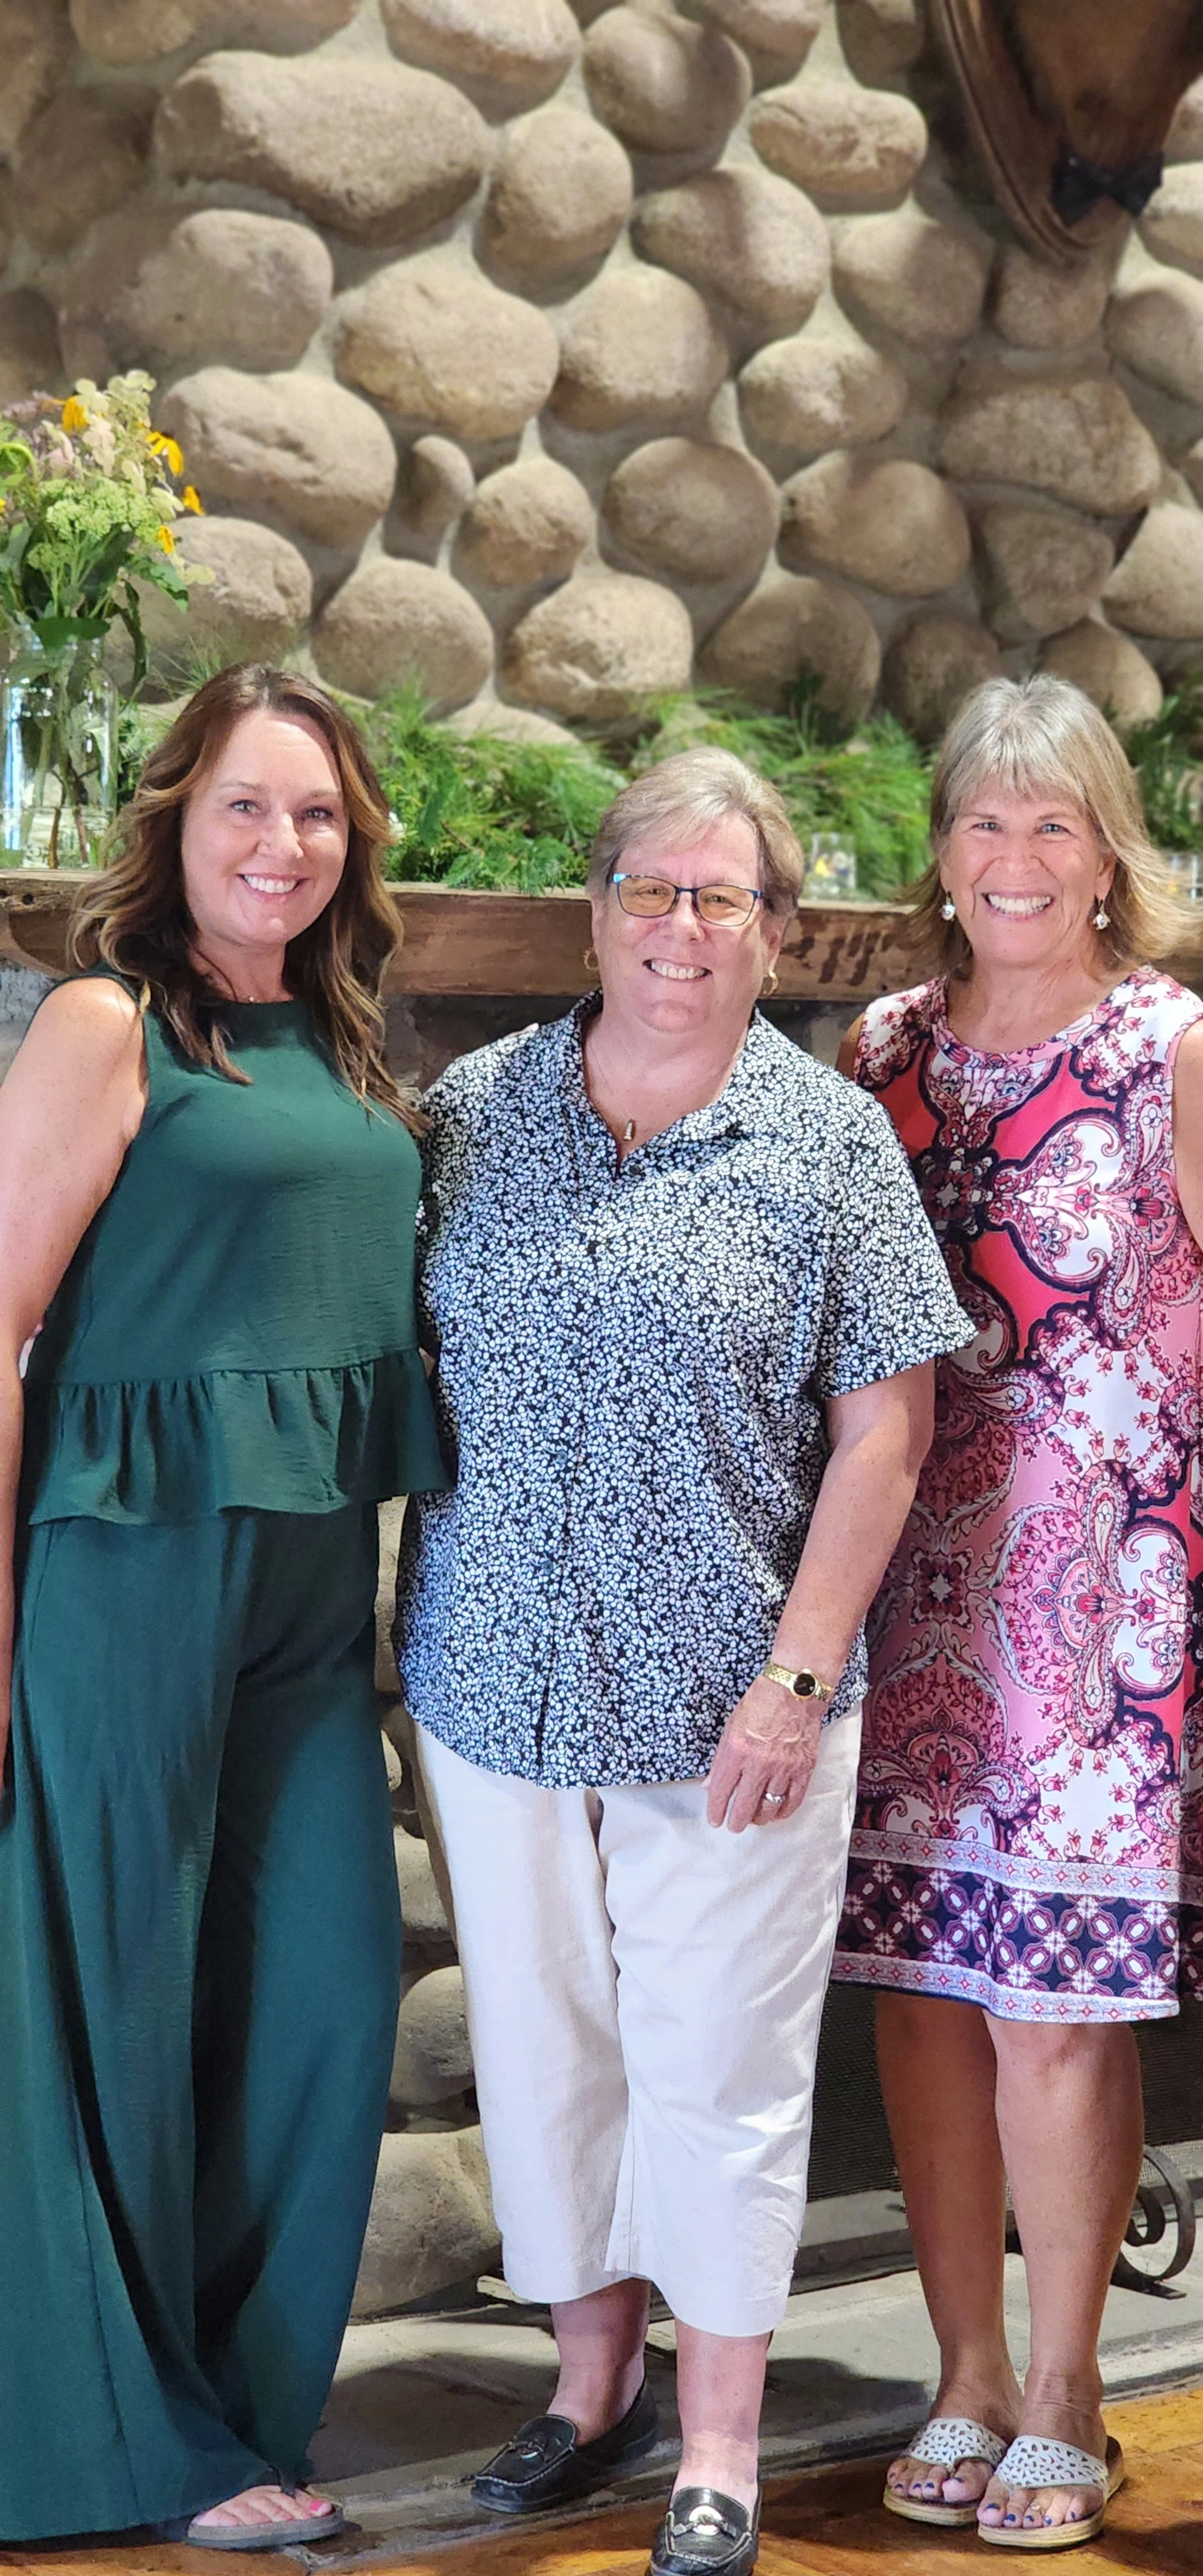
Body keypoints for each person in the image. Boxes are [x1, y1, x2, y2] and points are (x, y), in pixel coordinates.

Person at [393, 747, 970, 2576]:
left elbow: (888, 1430)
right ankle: (589, 2386)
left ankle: (717, 2432)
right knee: (547, 2054)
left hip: (738, 1704)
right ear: (596, 905)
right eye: (652, 889)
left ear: (774, 930)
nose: (681, 929)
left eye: (724, 898)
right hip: (491, 1687)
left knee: (717, 2067)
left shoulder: (825, 1143)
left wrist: (799, 1682)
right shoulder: (475, 1110)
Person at [0, 665, 446, 2548]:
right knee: (105, 1998)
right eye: (248, 808)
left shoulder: (347, 1046)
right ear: (176, 823)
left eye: (319, 815)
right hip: (123, 1563)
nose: (283, 845)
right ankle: (134, 2452)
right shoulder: (110, 1024)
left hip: (302, 1585)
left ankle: (232, 2407)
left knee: (330, 1993)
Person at [830, 674, 1203, 2551]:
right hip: (912, 1582)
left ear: (1108, 851)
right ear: (944, 850)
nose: (1015, 855)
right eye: (985, 819)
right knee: (919, 1986)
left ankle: (1070, 2390)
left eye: (1054, 821)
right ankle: (964, 2373)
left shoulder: (1168, 1044)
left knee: (1057, 1999)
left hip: (1109, 1595)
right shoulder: (884, 1045)